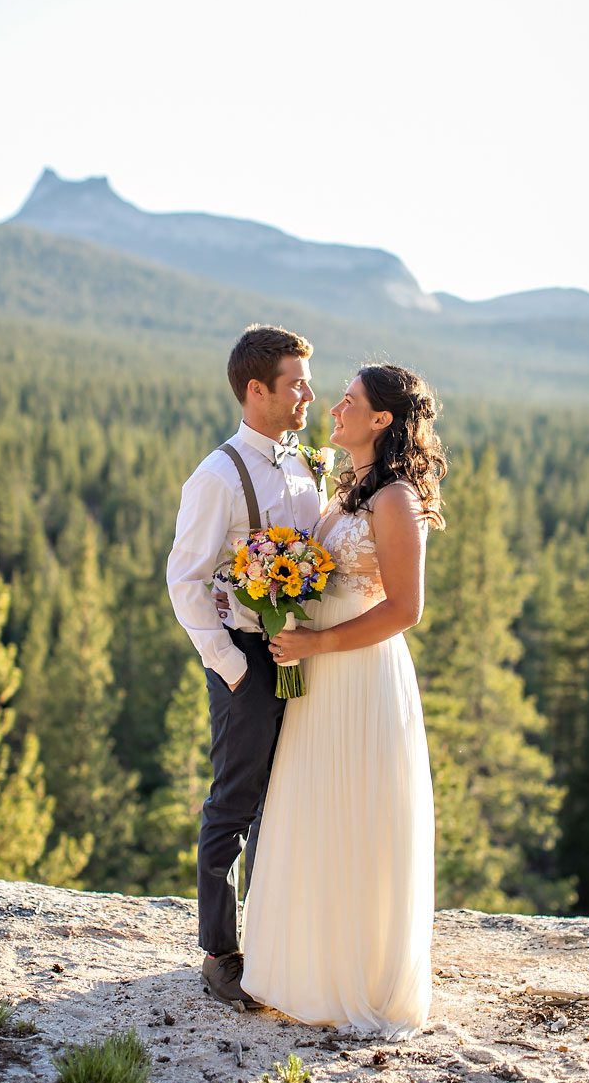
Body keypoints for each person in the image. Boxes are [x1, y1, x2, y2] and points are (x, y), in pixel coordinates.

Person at [240, 363, 447, 1037]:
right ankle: (304, 971)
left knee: (355, 815)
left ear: (382, 419)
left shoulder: (394, 499)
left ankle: (353, 980)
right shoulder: (347, 488)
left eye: (350, 401)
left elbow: (407, 610)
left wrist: (320, 648)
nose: (334, 406)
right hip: (318, 677)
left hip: (360, 677)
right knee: (311, 807)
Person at [166, 324, 327, 1008]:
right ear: (256, 390)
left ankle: (273, 939)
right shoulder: (215, 476)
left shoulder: (304, 463)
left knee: (286, 799)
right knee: (234, 804)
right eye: (296, 384)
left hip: (305, 653)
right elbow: (185, 580)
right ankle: (219, 951)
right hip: (247, 658)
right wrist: (231, 666)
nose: (308, 395)